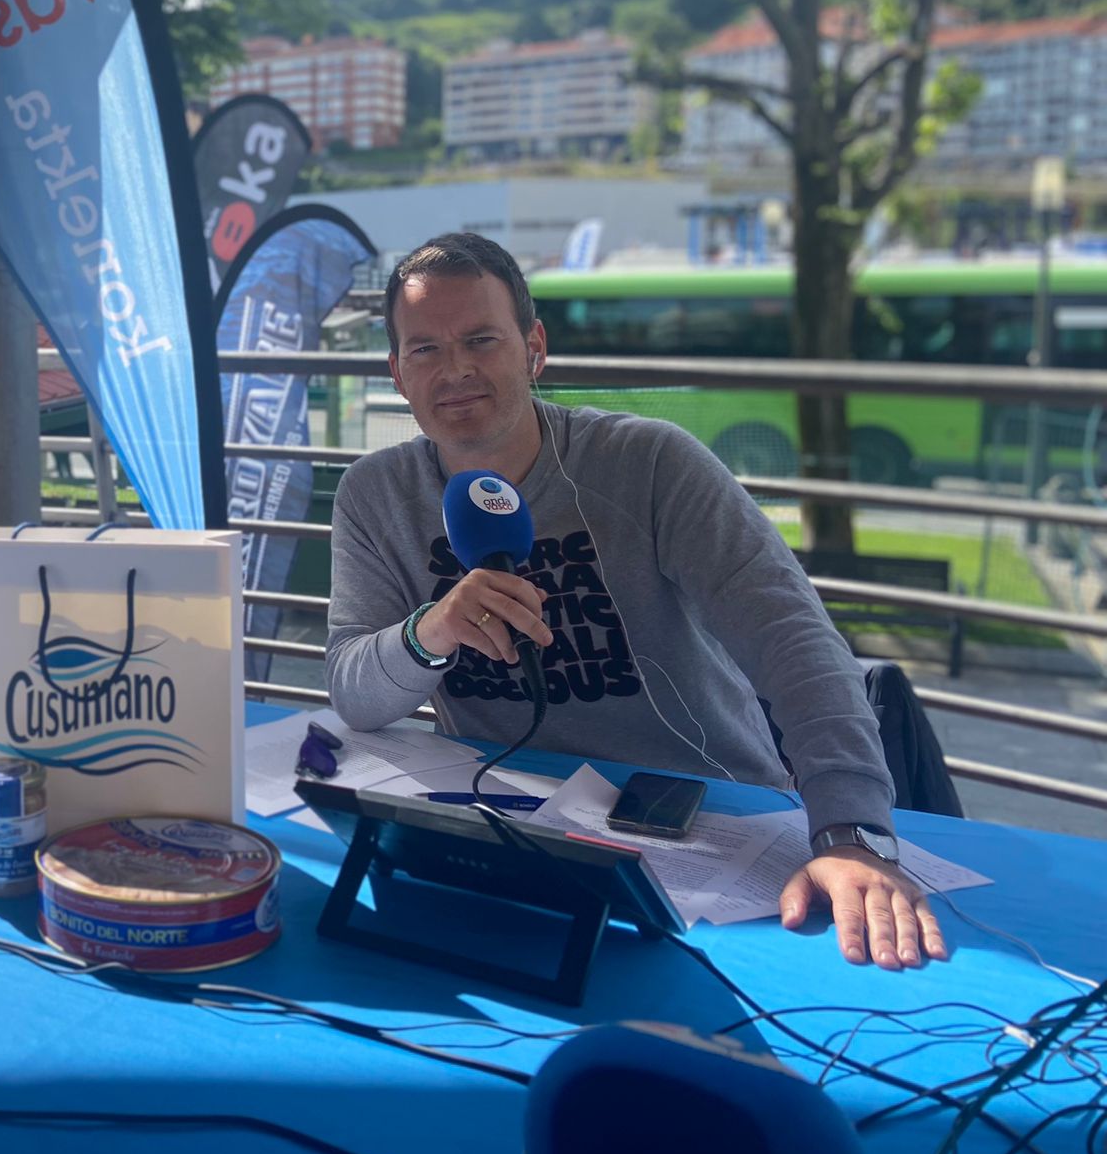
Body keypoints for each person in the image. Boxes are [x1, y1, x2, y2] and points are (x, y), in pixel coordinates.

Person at [326, 232, 945, 971]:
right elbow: (352, 690)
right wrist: (429, 632)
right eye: (424, 349)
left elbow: (797, 644)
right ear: (396, 373)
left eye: (481, 339)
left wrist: (851, 834)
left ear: (534, 348)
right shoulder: (374, 495)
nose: (455, 369)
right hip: (520, 831)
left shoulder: (652, 464)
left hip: (711, 824)